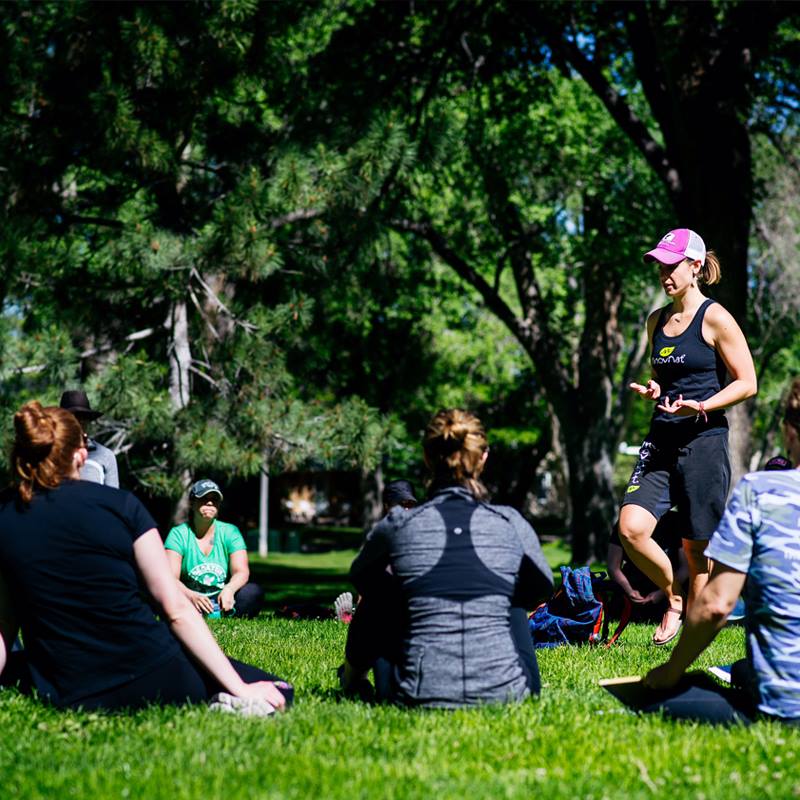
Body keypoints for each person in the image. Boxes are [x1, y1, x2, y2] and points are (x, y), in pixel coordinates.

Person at [0, 402, 291, 714]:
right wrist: (240, 687)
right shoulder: (121, 505)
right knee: (279, 691)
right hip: (153, 673)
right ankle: (225, 699)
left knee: (20, 667)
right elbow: (175, 608)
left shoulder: (5, 514)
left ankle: (220, 699)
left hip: (68, 687)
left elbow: (4, 624)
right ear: (81, 455)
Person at [339, 409, 554, 707]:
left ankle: (351, 679)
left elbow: (362, 576)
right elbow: (541, 588)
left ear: (428, 458)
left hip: (415, 694)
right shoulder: (510, 522)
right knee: (512, 598)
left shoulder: (399, 523)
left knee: (381, 591)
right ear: (483, 458)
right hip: (509, 694)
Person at [619, 229, 757, 645]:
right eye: (660, 266)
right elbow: (668, 378)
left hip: (704, 442)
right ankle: (674, 598)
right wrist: (656, 391)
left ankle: (694, 635)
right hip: (661, 438)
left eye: (672, 265)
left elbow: (747, 382)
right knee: (631, 529)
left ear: (695, 266)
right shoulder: (655, 321)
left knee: (697, 551)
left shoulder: (715, 318)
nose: (664, 274)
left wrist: (702, 405)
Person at [642, 378, 800, 725]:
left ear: (790, 432)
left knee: (656, 701)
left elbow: (717, 604)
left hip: (785, 707)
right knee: (743, 670)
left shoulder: (760, 493)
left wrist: (672, 670)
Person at [164, 480, 264, 618]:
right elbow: (170, 578)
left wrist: (229, 589)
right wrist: (192, 596)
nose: (210, 503)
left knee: (252, 592)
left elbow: (241, 572)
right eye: (204, 498)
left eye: (214, 499)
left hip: (222, 600)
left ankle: (219, 613)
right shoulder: (178, 534)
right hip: (189, 598)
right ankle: (195, 614)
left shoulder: (230, 532)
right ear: (191, 503)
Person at [334, 479, 419, 623]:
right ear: (386, 506)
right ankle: (353, 618)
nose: (405, 510)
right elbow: (361, 577)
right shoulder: (380, 535)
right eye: (400, 504)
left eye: (409, 504)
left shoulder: (424, 533)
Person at [606, 509, 689, 621]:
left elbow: (685, 568)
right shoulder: (627, 522)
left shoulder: (677, 522)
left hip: (669, 584)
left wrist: (662, 592)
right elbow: (613, 567)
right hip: (632, 584)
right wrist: (629, 591)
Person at [59, 390, 119, 488]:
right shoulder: (51, 454)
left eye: (84, 417)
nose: (80, 421)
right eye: (73, 417)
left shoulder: (105, 455)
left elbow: (113, 498)